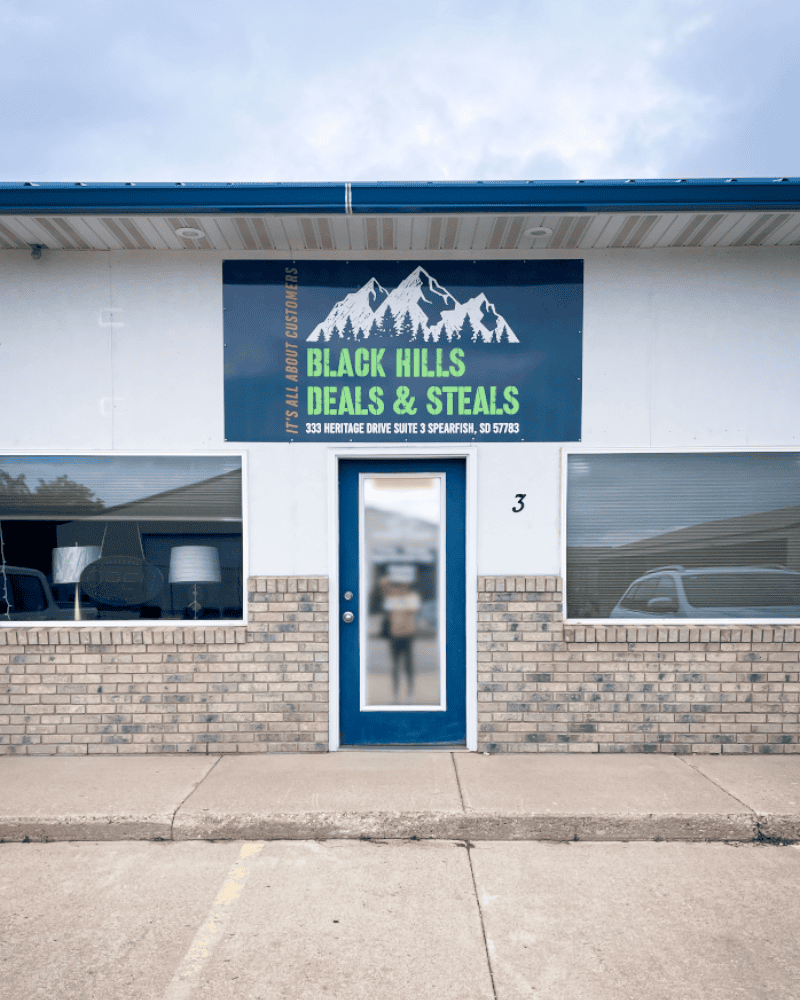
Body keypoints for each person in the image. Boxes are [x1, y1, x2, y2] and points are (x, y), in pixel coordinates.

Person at [379, 574, 421, 699]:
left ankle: (410, 692)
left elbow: (413, 608)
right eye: (398, 584)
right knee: (395, 664)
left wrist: (397, 599)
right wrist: (389, 585)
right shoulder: (391, 598)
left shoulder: (412, 596)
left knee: (409, 664)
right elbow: (383, 583)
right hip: (395, 634)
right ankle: (395, 693)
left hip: (408, 633)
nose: (401, 587)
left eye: (403, 585)